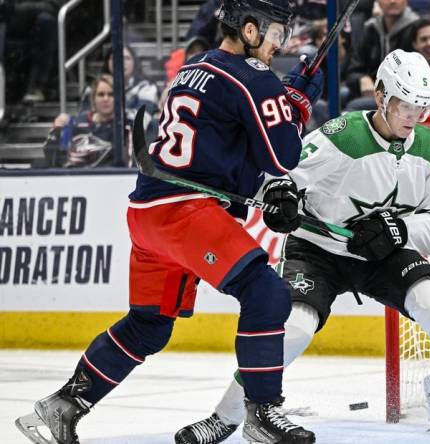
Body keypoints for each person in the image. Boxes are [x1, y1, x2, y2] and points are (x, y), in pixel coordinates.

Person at [15, 1, 323, 444]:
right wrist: (293, 106)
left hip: (147, 212)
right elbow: (283, 157)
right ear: (250, 30)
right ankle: (262, 415)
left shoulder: (195, 67)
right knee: (267, 292)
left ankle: (60, 407)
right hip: (185, 211)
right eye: (276, 32)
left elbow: (227, 142)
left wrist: (288, 100)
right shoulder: (253, 77)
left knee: (149, 325)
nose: (281, 43)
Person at [175, 49, 430, 444]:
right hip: (317, 251)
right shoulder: (343, 135)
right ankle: (224, 418)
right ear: (381, 96)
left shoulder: (429, 148)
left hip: (381, 256)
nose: (413, 117)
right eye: (404, 105)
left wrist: (399, 230)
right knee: (291, 329)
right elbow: (281, 176)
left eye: (422, 107)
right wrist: (280, 198)